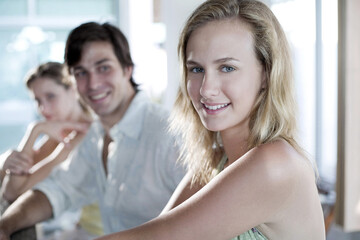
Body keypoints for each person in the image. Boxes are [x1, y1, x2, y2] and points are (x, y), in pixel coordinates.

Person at [94, 0, 326, 239]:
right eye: (196, 69)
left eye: (226, 68)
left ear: (266, 74)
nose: (206, 89)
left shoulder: (274, 164)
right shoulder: (216, 159)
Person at [0, 22, 185, 239]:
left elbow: (203, 221)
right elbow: (59, 190)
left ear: (127, 69)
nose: (93, 83)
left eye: (103, 67)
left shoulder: (170, 133)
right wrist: (5, 225)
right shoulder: (94, 136)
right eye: (81, 73)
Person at [0, 61, 93, 238]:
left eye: (50, 96)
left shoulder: (83, 134)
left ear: (72, 90)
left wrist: (36, 129)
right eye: (37, 100)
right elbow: (10, 185)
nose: (43, 108)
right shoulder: (57, 131)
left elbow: (13, 193)